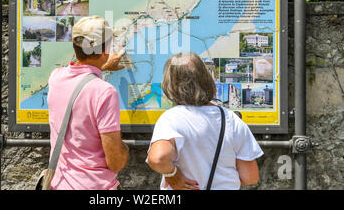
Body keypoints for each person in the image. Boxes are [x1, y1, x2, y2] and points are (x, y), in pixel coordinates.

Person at [147, 53, 263, 190]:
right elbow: (250, 177)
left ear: (170, 83)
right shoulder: (231, 120)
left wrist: (173, 174)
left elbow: (158, 158)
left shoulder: (171, 119)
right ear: (206, 79)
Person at [47, 15, 129, 190]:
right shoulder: (105, 92)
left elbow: (80, 76)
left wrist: (102, 66)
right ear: (105, 51)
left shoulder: (56, 77)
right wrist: (125, 151)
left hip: (60, 185)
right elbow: (115, 162)